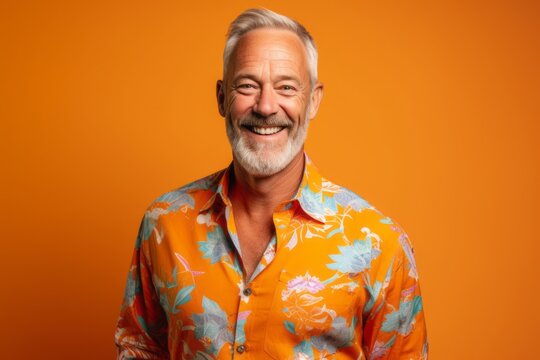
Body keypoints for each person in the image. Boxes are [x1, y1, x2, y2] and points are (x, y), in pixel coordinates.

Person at [115, 8, 428, 359]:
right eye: (247, 86)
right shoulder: (163, 225)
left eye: (286, 87)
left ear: (313, 101)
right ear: (222, 98)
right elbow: (138, 349)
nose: (265, 106)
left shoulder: (380, 246)